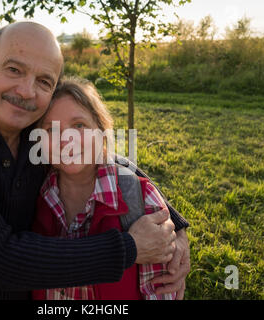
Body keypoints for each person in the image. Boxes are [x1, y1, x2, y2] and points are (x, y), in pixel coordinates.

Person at [0, 21, 190, 300]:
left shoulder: (38, 137)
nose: (26, 91)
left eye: (44, 81)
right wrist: (131, 247)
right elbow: (0, 260)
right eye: (14, 69)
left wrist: (175, 227)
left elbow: (102, 159)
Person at [32, 77, 176, 300]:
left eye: (79, 125)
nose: (66, 140)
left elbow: (160, 293)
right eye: (51, 129)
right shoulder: (35, 196)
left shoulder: (139, 199)